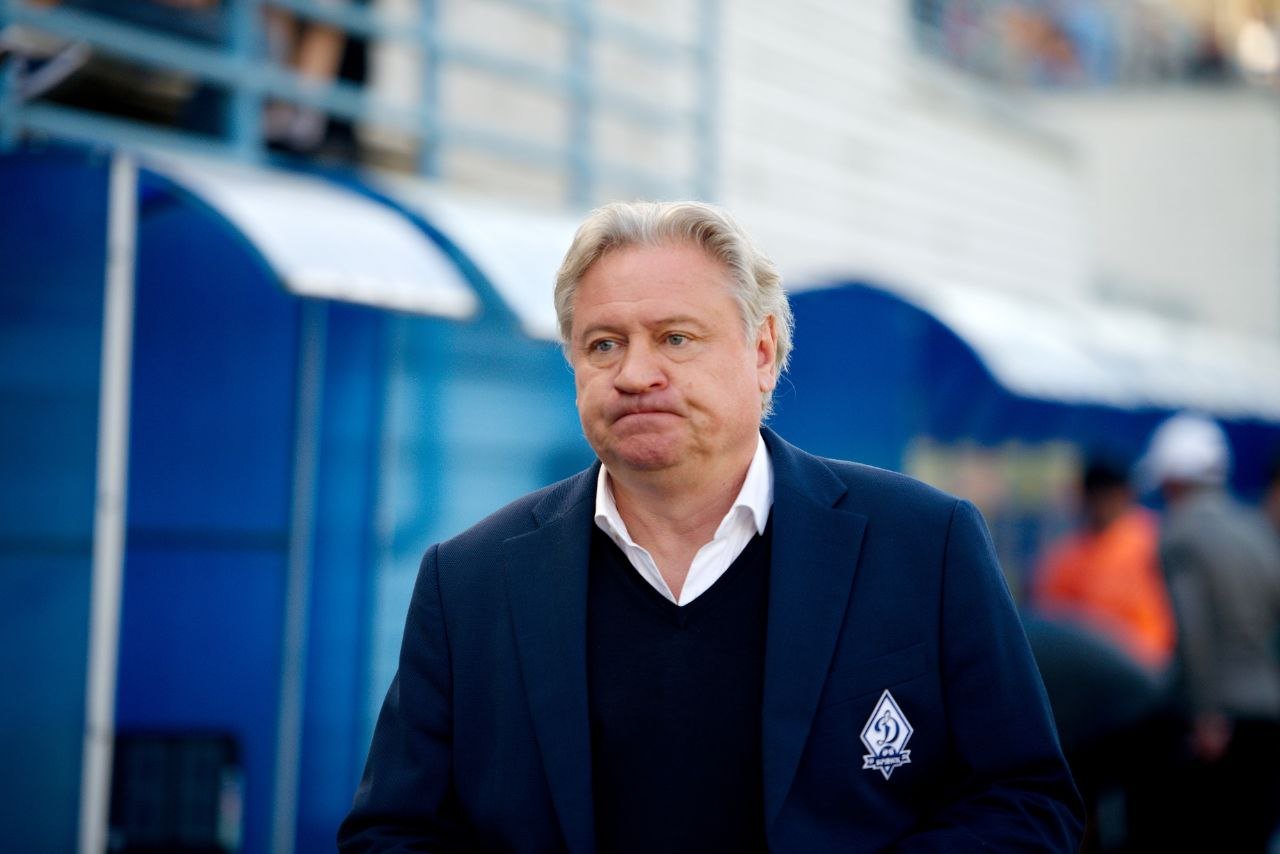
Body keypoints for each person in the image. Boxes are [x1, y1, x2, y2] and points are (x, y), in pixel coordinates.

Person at [338, 201, 1083, 852]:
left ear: (761, 353)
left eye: (675, 338)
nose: (635, 374)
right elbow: (394, 830)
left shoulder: (923, 544)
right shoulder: (471, 581)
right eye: (604, 344)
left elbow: (1025, 801)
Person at [1139, 412, 1280, 852]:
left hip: (1216, 723)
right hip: (1268, 711)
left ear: (1172, 479)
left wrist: (1204, 713)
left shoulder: (1179, 533)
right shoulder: (1256, 529)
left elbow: (1192, 627)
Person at [1031, 458, 1176, 673]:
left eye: (1109, 494)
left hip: (1149, 670)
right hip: (1091, 673)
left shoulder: (1157, 540)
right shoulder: (1066, 558)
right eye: (1096, 495)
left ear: (1126, 494)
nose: (1103, 504)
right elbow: (1050, 623)